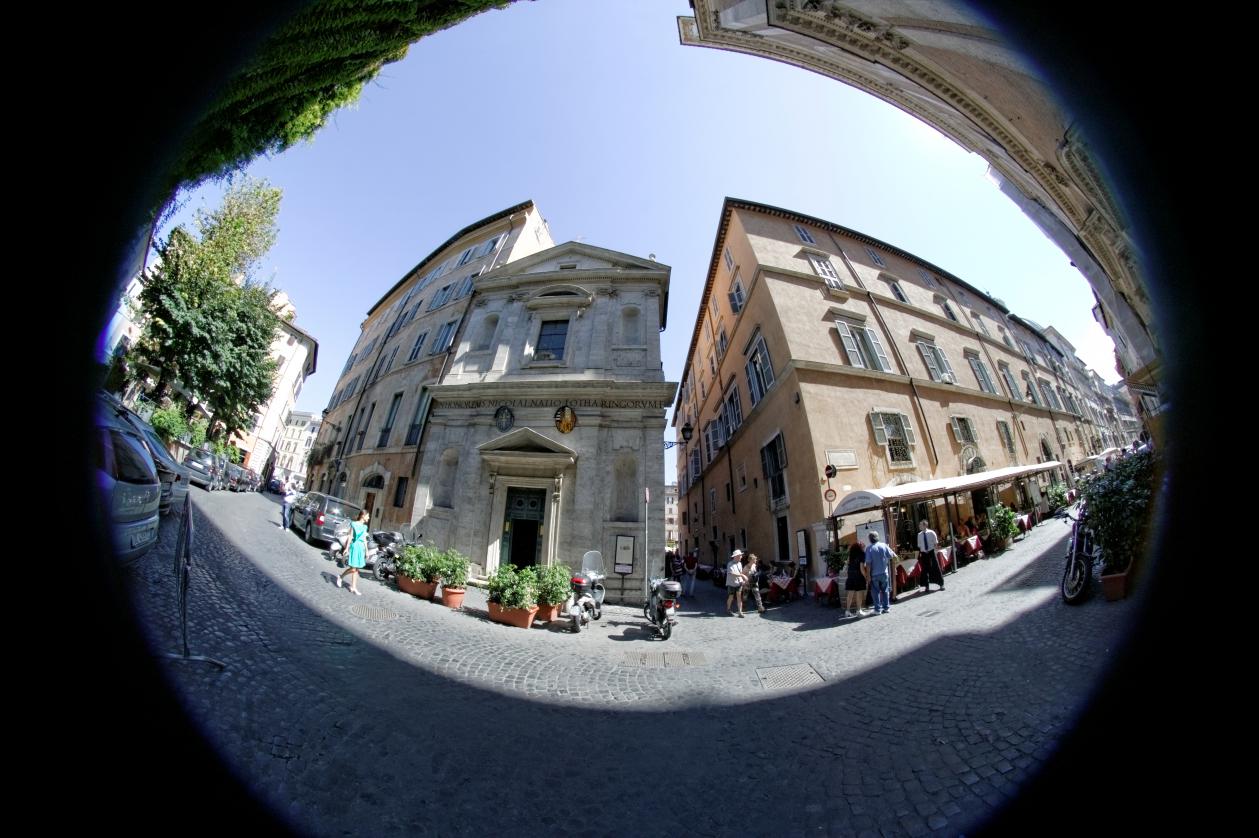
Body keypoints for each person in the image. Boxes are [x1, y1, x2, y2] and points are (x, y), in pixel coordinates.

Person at [337, 509, 370, 595]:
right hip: (355, 547)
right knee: (353, 568)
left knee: (356, 569)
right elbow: (350, 536)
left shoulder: (365, 527)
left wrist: (366, 551)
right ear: (363, 516)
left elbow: (364, 539)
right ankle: (341, 577)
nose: (369, 518)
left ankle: (353, 587)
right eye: (368, 516)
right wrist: (347, 548)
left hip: (361, 548)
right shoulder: (354, 524)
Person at [863, 532, 896, 615]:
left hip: (874, 574)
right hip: (884, 573)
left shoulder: (869, 548)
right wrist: (894, 567)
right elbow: (893, 556)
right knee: (885, 590)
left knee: (875, 592)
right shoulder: (884, 545)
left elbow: (868, 563)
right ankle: (886, 608)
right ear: (877, 537)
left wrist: (868, 575)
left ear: (870, 539)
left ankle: (877, 610)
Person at [918, 520, 944, 593]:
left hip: (931, 552)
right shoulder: (919, 535)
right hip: (924, 553)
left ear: (925, 525)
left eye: (921, 525)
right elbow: (919, 545)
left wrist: (935, 551)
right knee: (925, 569)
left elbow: (935, 543)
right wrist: (923, 551)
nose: (919, 526)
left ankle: (941, 584)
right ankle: (926, 586)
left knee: (936, 567)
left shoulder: (931, 532)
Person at [844, 541, 868, 618]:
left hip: (850, 575)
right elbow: (861, 568)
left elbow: (847, 563)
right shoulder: (862, 554)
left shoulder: (851, 554)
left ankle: (847, 611)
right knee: (859, 593)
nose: (864, 548)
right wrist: (866, 577)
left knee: (850, 594)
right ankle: (859, 611)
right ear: (860, 547)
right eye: (863, 547)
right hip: (858, 576)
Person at [725, 548, 748, 617]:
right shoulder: (730, 564)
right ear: (736, 556)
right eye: (740, 555)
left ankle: (740, 612)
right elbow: (732, 573)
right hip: (731, 583)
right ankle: (728, 609)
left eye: (741, 555)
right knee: (731, 597)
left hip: (738, 583)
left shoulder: (740, 563)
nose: (741, 557)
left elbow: (740, 572)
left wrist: (742, 580)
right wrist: (742, 575)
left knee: (739, 597)